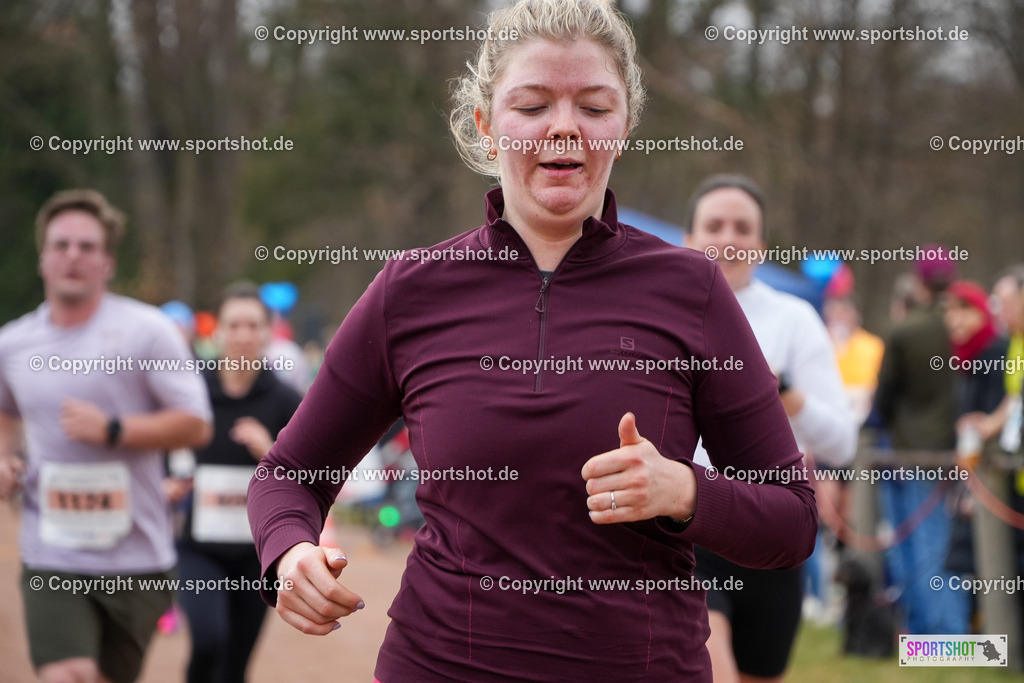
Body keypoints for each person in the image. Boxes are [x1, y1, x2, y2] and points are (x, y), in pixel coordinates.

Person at [247, 1, 817, 680]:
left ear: (624, 126)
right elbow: (288, 475)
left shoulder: (691, 288)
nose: (564, 127)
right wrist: (290, 552)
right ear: (488, 124)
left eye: (595, 106)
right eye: (534, 104)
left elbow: (792, 518)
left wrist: (683, 489)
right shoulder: (410, 289)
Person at [0, 189, 212, 683]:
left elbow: (197, 422)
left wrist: (115, 429)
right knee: (67, 674)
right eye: (62, 244)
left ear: (108, 262)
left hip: (137, 559)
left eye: (87, 246)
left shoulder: (148, 332)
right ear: (43, 258)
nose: (73, 255)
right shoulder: (12, 344)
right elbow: (4, 416)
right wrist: (6, 459)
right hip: (51, 552)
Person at [683, 174, 856, 682]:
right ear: (689, 239)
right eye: (715, 225)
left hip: (773, 528)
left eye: (744, 227)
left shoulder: (795, 320)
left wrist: (785, 397)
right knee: (713, 672)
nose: (730, 238)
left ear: (761, 245)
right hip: (690, 525)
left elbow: (843, 443)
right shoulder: (658, 314)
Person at [175, 282, 302, 683]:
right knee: (209, 639)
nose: (244, 335)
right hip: (198, 547)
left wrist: (270, 450)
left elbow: (309, 474)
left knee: (235, 665)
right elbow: (161, 445)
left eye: (253, 325)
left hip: (257, 552)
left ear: (268, 332)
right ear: (217, 331)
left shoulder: (285, 400)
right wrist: (168, 480)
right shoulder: (193, 390)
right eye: (234, 325)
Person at [874, 249, 969, 634]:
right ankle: (932, 637)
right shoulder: (961, 325)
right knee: (938, 546)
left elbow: (885, 394)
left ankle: (943, 637)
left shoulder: (906, 329)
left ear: (919, 283)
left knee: (918, 546)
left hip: (910, 448)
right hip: (955, 449)